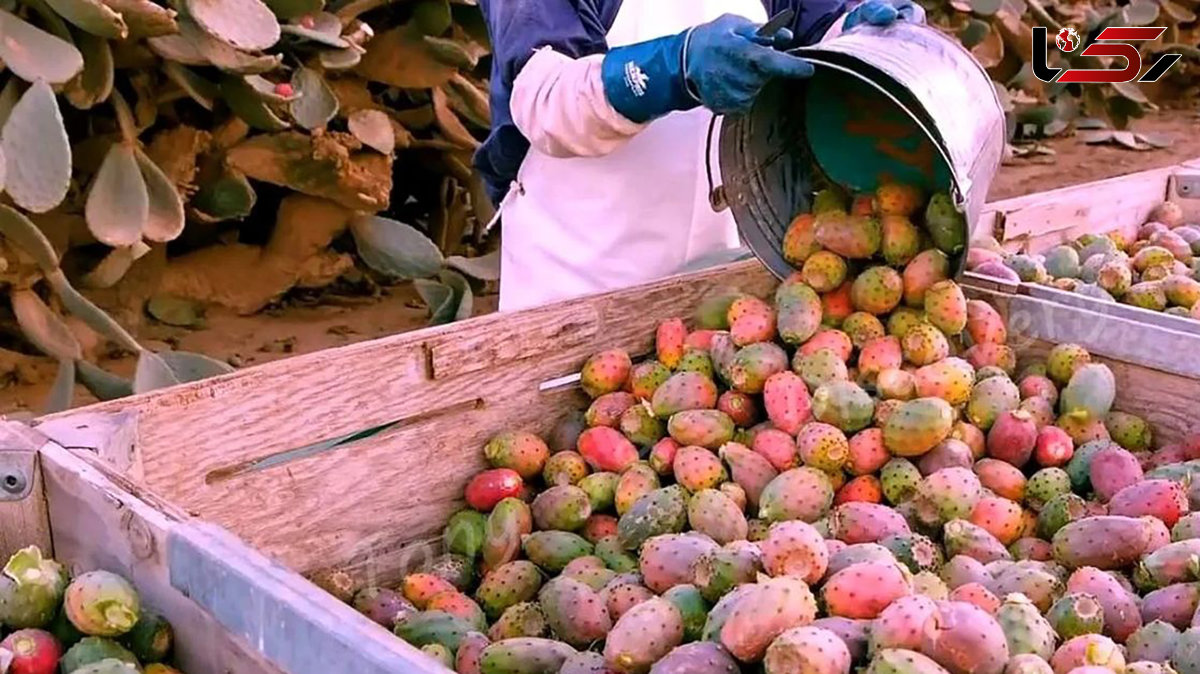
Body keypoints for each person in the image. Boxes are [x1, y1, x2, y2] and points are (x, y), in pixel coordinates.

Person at [475, 0, 925, 312]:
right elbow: (547, 98)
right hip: (585, 280)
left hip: (734, 273)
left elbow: (817, 23)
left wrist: (858, 34)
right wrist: (672, 67)